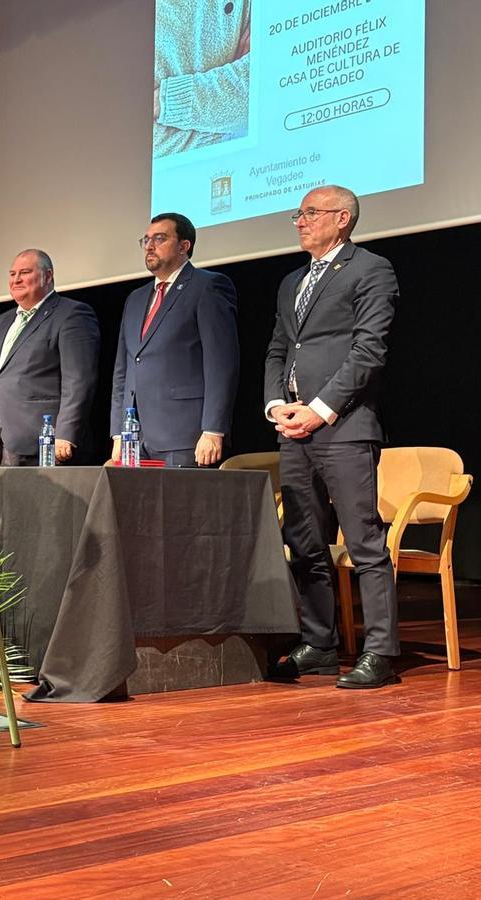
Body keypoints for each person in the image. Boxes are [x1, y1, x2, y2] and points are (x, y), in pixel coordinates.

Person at [265, 185, 400, 689]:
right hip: (294, 428)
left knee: (364, 543)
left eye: (310, 213)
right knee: (304, 543)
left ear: (342, 219)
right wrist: (277, 405)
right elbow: (279, 349)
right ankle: (319, 645)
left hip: (343, 427)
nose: (300, 221)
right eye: (297, 213)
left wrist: (319, 411)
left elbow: (368, 352)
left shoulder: (371, 269)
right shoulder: (291, 282)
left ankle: (380, 652)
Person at [110, 213, 239, 466]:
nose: (149, 245)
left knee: (180, 506)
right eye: (146, 239)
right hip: (134, 436)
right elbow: (123, 370)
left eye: (159, 238)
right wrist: (117, 433)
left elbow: (221, 363)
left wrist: (213, 429)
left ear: (184, 246)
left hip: (184, 435)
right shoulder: (135, 298)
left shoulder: (207, 286)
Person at [0, 249, 100, 466]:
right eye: (12, 274)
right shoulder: (1, 322)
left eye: (24, 272)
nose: (16, 279)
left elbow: (79, 380)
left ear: (48, 276)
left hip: (42, 444)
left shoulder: (72, 314)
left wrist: (66, 433)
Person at [153, 0, 251, 158]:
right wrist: (230, 127)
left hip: (250, 172)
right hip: (149, 179)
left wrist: (166, 102)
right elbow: (138, 136)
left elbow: (260, 91)